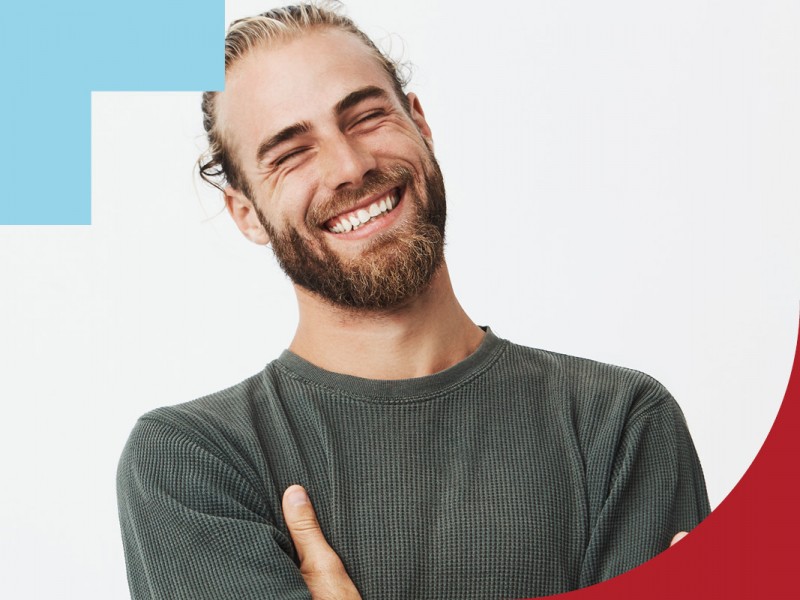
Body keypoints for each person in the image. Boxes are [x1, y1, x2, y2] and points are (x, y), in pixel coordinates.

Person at [117, 4, 710, 599]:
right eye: (290, 153)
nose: (350, 166)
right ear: (246, 214)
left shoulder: (620, 424)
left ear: (420, 124)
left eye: (367, 116)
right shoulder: (189, 463)